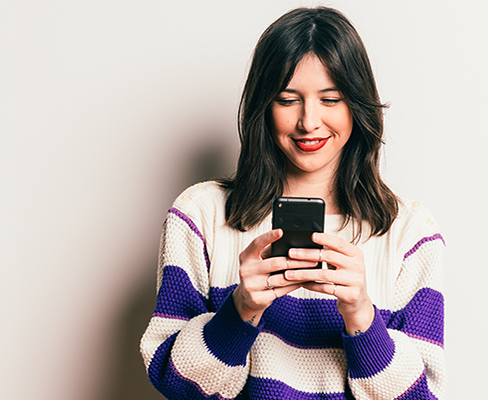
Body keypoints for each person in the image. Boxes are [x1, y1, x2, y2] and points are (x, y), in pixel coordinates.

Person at [140, 7, 446, 400]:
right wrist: (240, 310)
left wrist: (362, 317)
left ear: (358, 106)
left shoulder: (410, 233)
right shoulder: (201, 214)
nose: (309, 121)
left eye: (331, 99)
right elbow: (175, 385)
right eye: (288, 99)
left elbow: (425, 397)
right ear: (263, 107)